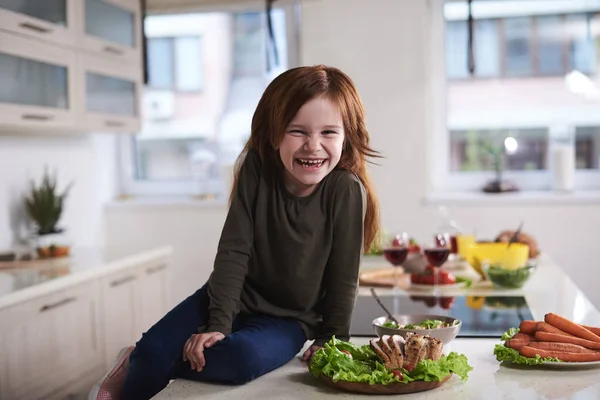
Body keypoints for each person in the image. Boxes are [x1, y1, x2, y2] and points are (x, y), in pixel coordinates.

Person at [89, 64, 380, 400]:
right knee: (152, 353)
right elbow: (234, 251)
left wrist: (333, 338)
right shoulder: (256, 168)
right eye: (297, 131)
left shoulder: (345, 189)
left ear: (347, 137)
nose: (313, 146)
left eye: (329, 132)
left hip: (289, 321)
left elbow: (344, 276)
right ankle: (141, 359)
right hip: (228, 297)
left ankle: (150, 358)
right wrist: (217, 324)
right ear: (273, 133)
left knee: (240, 360)